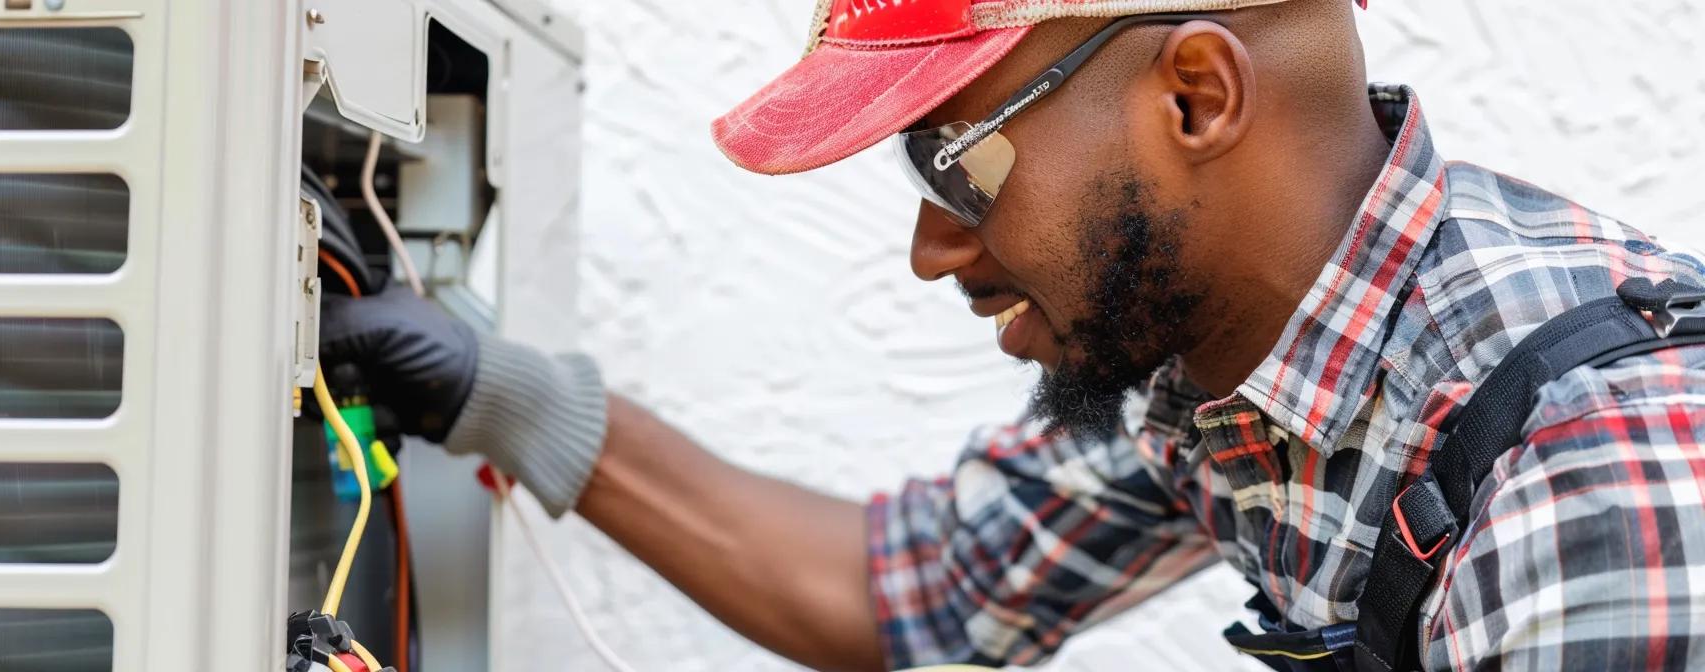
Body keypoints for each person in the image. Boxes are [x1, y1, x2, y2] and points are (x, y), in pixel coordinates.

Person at [318, 0, 1705, 669]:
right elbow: (909, 587)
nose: (931, 248)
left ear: (1199, 96)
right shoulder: (1239, 375)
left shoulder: (1594, 480)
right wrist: (497, 393)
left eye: (955, 167)